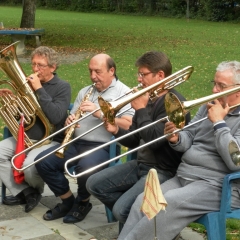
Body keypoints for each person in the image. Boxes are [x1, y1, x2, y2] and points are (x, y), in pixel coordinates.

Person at [117, 60, 240, 240]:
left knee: (168, 203)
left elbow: (235, 161)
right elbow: (188, 139)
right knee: (144, 201)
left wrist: (219, 124)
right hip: (184, 176)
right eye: (214, 83)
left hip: (217, 185)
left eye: (221, 86)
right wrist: (176, 137)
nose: (214, 90)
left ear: (237, 90)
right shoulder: (209, 107)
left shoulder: (220, 116)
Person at [86, 51, 191, 224]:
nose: (139, 79)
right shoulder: (148, 98)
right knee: (94, 184)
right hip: (141, 165)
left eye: (143, 74)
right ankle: (141, 225)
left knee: (121, 210)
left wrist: (141, 110)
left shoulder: (174, 103)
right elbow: (134, 140)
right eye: (139, 74)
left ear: (160, 75)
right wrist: (115, 130)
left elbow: (154, 142)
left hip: (163, 171)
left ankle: (152, 228)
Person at [34, 53, 135, 224]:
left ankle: (82, 202)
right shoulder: (86, 91)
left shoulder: (125, 93)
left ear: (112, 71)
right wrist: (70, 120)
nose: (93, 76)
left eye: (98, 71)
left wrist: (100, 112)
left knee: (85, 167)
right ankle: (68, 201)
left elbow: (128, 124)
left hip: (103, 146)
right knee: (43, 162)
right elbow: (71, 118)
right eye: (90, 71)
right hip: (76, 142)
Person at [0, 46, 71, 212]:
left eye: (40, 65)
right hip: (25, 137)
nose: (35, 69)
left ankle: (36, 190)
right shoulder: (27, 84)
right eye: (33, 64)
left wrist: (39, 89)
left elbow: (56, 117)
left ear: (53, 67)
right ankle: (25, 192)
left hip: (49, 139)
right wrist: (12, 102)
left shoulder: (62, 87)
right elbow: (21, 117)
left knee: (29, 166)